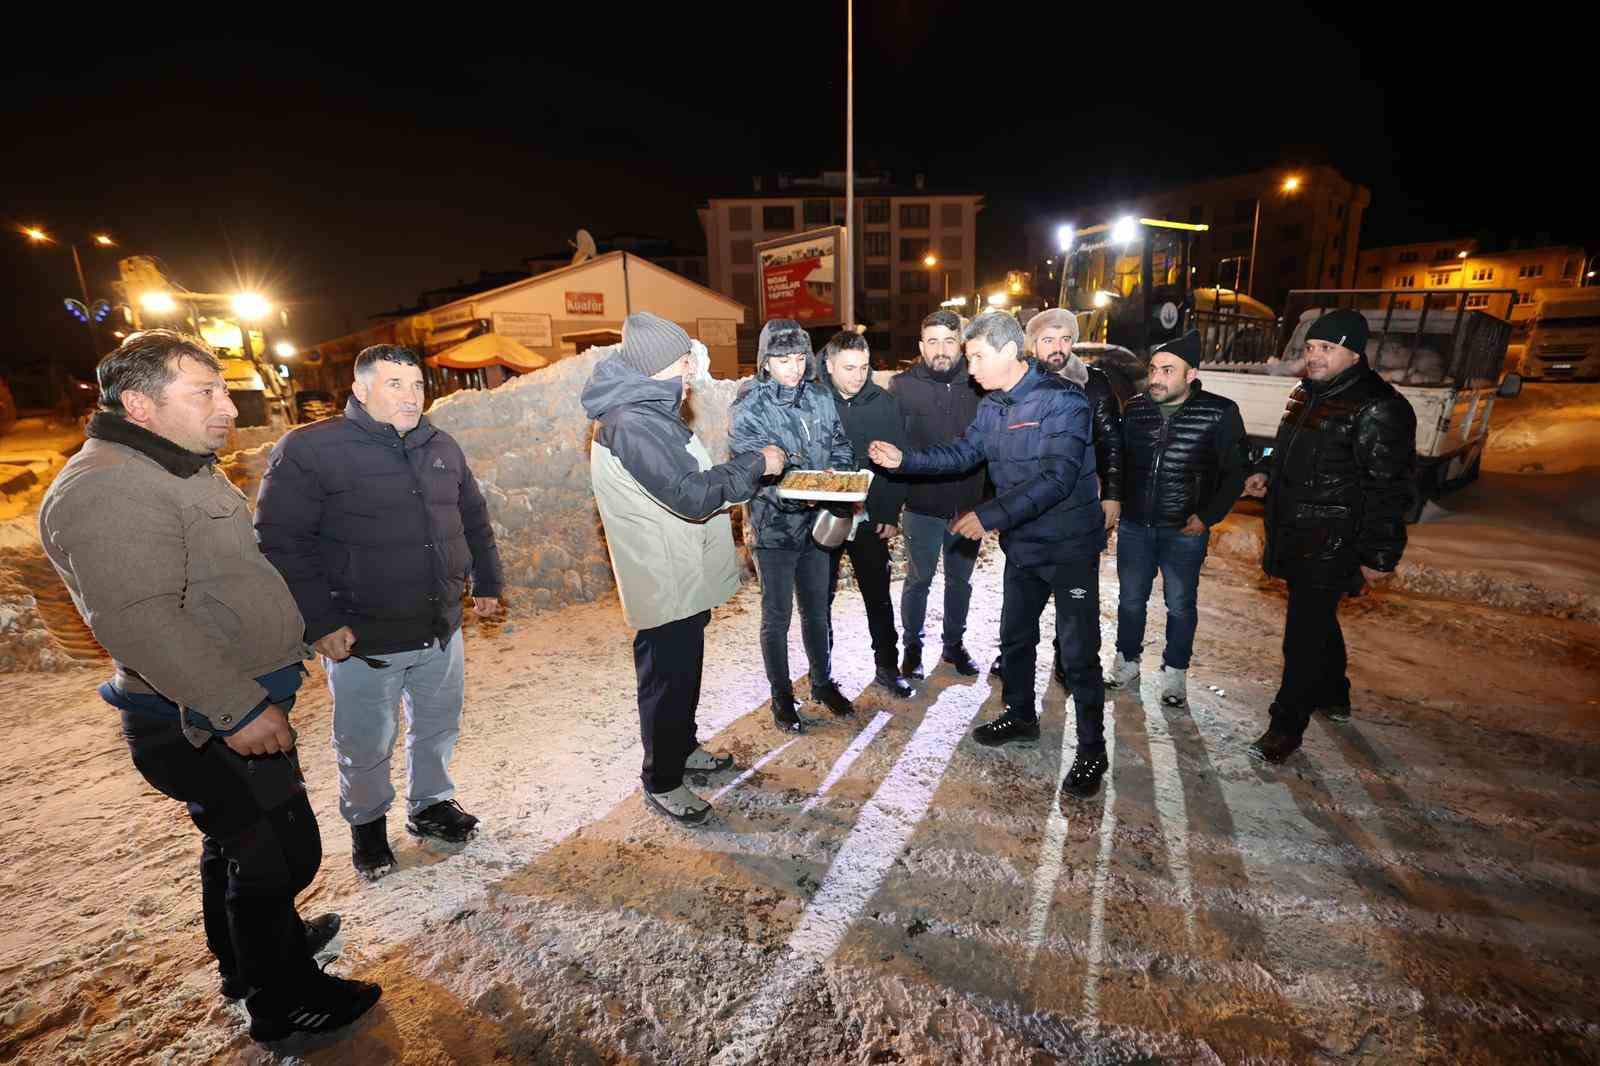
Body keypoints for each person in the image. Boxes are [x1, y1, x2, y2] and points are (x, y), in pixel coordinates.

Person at [38, 330, 380, 1043]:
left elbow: (222, 577)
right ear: (140, 403)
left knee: (237, 844)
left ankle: (248, 953)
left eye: (223, 388)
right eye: (206, 392)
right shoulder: (109, 486)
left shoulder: (176, 463)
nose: (228, 406)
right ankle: (284, 1001)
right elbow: (140, 619)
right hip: (200, 716)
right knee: (281, 853)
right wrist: (239, 708)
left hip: (226, 699)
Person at [255, 345, 504, 880]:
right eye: (395, 384)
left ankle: (431, 804)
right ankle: (367, 828)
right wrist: (319, 622)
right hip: (363, 637)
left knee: (438, 725)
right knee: (365, 741)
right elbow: (279, 541)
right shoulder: (311, 450)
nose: (411, 396)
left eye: (417, 385)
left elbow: (473, 518)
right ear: (361, 389)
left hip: (440, 626)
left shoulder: (441, 446)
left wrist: (486, 580)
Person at [869, 312, 1110, 798]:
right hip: (1024, 544)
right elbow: (963, 453)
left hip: (1068, 547)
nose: (970, 366)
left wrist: (989, 515)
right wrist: (906, 461)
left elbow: (1058, 478)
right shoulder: (993, 404)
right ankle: (1020, 715)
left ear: (1006, 350)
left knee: (1079, 651)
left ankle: (1091, 751)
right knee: (1015, 639)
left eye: (976, 356)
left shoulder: (1064, 403)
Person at [582, 313, 782, 823]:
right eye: (682, 360)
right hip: (661, 574)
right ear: (653, 369)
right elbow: (692, 494)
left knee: (682, 669)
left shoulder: (651, 410)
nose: (692, 368)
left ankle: (681, 747)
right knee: (665, 677)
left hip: (678, 569)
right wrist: (757, 465)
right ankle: (663, 779)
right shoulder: (632, 424)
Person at [1242, 308, 1416, 762]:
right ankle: (1335, 693)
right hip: (1296, 528)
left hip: (1333, 538)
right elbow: (1287, 450)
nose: (1314, 357)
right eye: (1312, 347)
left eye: (1327, 349)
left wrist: (1379, 556)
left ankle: (1285, 727)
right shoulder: (1307, 392)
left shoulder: (1379, 407)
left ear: (1353, 353)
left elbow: (1388, 488)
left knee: (1301, 633)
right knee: (1315, 618)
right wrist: (1264, 471)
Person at [1105, 330, 1248, 707]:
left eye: (1168, 370)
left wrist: (1207, 516)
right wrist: (1114, 500)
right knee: (1131, 601)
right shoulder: (1135, 408)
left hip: (1184, 530)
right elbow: (1119, 462)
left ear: (1190, 374)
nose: (1156, 378)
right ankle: (1127, 661)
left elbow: (1235, 473)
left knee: (1180, 605)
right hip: (1136, 526)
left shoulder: (1220, 412)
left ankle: (1175, 674)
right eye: (1153, 369)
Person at [730, 319, 858, 731]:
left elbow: (840, 444)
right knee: (777, 615)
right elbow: (749, 465)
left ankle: (821, 682)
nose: (794, 367)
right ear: (766, 362)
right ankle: (782, 696)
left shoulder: (821, 397)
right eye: (783, 359)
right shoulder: (749, 407)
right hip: (773, 528)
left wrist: (838, 480)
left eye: (800, 357)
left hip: (816, 524)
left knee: (817, 610)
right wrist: (793, 485)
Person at [988, 307, 1126, 680]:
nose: (1058, 347)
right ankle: (1013, 659)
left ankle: (1070, 661)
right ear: (1032, 344)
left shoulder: (1094, 383)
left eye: (1066, 339)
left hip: (1076, 508)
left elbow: (1112, 442)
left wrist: (1111, 494)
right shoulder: (1015, 384)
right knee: (1020, 599)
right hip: (1027, 510)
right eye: (1049, 339)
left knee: (1076, 600)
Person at [889, 311, 986, 679]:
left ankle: (953, 645)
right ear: (920, 346)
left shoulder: (979, 382)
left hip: (967, 506)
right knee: (918, 579)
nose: (940, 350)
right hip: (922, 505)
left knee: (960, 580)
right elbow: (892, 450)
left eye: (948, 340)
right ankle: (912, 647)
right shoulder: (902, 387)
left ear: (960, 344)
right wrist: (887, 508)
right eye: (932, 341)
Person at [818, 331, 915, 698]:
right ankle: (821, 672)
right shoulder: (814, 401)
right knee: (819, 596)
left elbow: (897, 460)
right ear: (829, 365)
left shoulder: (884, 403)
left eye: (864, 367)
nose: (858, 376)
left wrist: (889, 511)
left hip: (870, 515)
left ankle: (887, 667)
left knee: (877, 594)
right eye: (848, 368)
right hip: (823, 515)